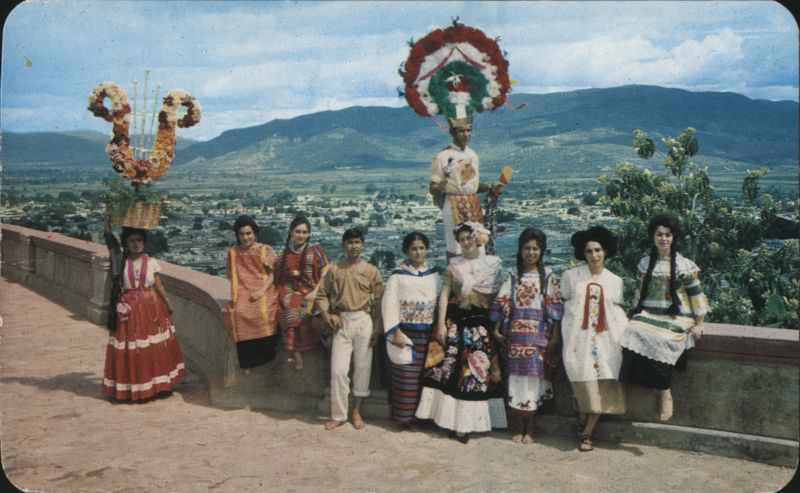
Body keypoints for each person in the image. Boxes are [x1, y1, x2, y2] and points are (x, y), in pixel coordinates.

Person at [415, 222, 507, 443]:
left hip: (480, 327)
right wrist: (441, 324)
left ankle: (467, 424)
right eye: (462, 239)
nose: (466, 243)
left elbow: (499, 299)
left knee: (473, 375)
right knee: (450, 373)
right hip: (456, 324)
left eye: (469, 238)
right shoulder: (454, 265)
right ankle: (452, 423)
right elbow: (445, 295)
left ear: (478, 238)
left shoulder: (493, 265)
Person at [618, 213, 709, 421]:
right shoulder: (645, 263)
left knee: (665, 339)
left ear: (674, 237)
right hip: (649, 313)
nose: (664, 239)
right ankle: (623, 388)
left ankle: (664, 391)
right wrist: (634, 312)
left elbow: (696, 294)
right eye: (659, 234)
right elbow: (639, 292)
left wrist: (700, 322)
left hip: (677, 316)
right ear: (653, 237)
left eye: (668, 235)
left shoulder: (684, 265)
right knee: (630, 332)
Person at [490, 227, 563, 444]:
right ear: (521, 250)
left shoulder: (548, 276)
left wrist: (555, 337)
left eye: (535, 248)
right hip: (516, 337)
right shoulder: (513, 276)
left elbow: (555, 308)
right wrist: (496, 329)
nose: (531, 253)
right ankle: (518, 426)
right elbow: (502, 302)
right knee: (516, 380)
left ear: (542, 251)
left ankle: (530, 428)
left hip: (538, 338)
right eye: (527, 248)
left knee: (534, 382)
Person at [102, 211, 185, 401]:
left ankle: (158, 386)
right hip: (130, 311)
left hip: (152, 308)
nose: (136, 244)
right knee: (134, 348)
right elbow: (109, 241)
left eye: (139, 240)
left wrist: (167, 303)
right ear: (126, 243)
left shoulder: (152, 262)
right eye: (132, 240)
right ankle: (137, 388)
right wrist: (106, 219)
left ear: (144, 242)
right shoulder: (120, 261)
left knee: (154, 347)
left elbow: (158, 284)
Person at [560, 226, 628, 452]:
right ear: (583, 253)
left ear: (605, 251)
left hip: (605, 341)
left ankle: (587, 432)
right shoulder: (571, 277)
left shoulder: (615, 281)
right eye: (589, 251)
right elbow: (564, 304)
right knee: (583, 380)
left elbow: (617, 311)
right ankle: (582, 419)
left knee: (602, 383)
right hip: (579, 340)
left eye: (598, 250)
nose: (594, 255)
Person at [316, 228, 383, 431]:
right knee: (338, 371)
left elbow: (379, 303)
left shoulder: (372, 271)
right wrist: (327, 315)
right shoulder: (335, 269)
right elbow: (321, 295)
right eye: (350, 242)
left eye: (357, 242)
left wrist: (376, 330)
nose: (353, 246)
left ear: (363, 244)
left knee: (362, 369)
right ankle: (339, 414)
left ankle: (356, 412)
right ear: (343, 245)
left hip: (364, 320)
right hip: (342, 321)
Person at [381, 232, 441, 430]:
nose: (418, 252)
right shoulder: (398, 276)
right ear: (406, 250)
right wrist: (395, 331)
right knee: (406, 378)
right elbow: (389, 304)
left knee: (426, 377)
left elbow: (440, 300)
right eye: (414, 248)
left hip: (428, 334)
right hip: (406, 334)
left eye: (422, 248)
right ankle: (405, 419)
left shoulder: (434, 274)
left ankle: (423, 418)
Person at [429, 118, 504, 259]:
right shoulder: (442, 156)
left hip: (473, 204)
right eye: (462, 131)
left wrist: (490, 187)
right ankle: (454, 273)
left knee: (479, 243)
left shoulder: (473, 155)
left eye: (469, 130)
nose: (466, 134)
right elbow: (432, 188)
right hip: (453, 204)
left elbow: (473, 185)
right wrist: (439, 187)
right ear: (453, 132)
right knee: (455, 247)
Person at [223, 215, 279, 373]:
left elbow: (273, 274)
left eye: (248, 233)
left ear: (255, 234)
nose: (245, 237)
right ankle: (247, 362)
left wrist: (261, 291)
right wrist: (243, 290)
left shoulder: (265, 250)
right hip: (243, 291)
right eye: (241, 234)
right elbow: (232, 276)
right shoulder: (233, 252)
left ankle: (266, 358)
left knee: (262, 313)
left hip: (264, 289)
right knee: (238, 313)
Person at [275, 216, 329, 370]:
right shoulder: (282, 256)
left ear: (309, 234)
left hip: (314, 290)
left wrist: (316, 291)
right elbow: (278, 278)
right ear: (291, 232)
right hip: (291, 291)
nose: (301, 235)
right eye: (298, 232)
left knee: (310, 312)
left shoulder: (316, 252)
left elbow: (326, 273)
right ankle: (297, 353)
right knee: (289, 311)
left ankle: (310, 348)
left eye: (304, 232)